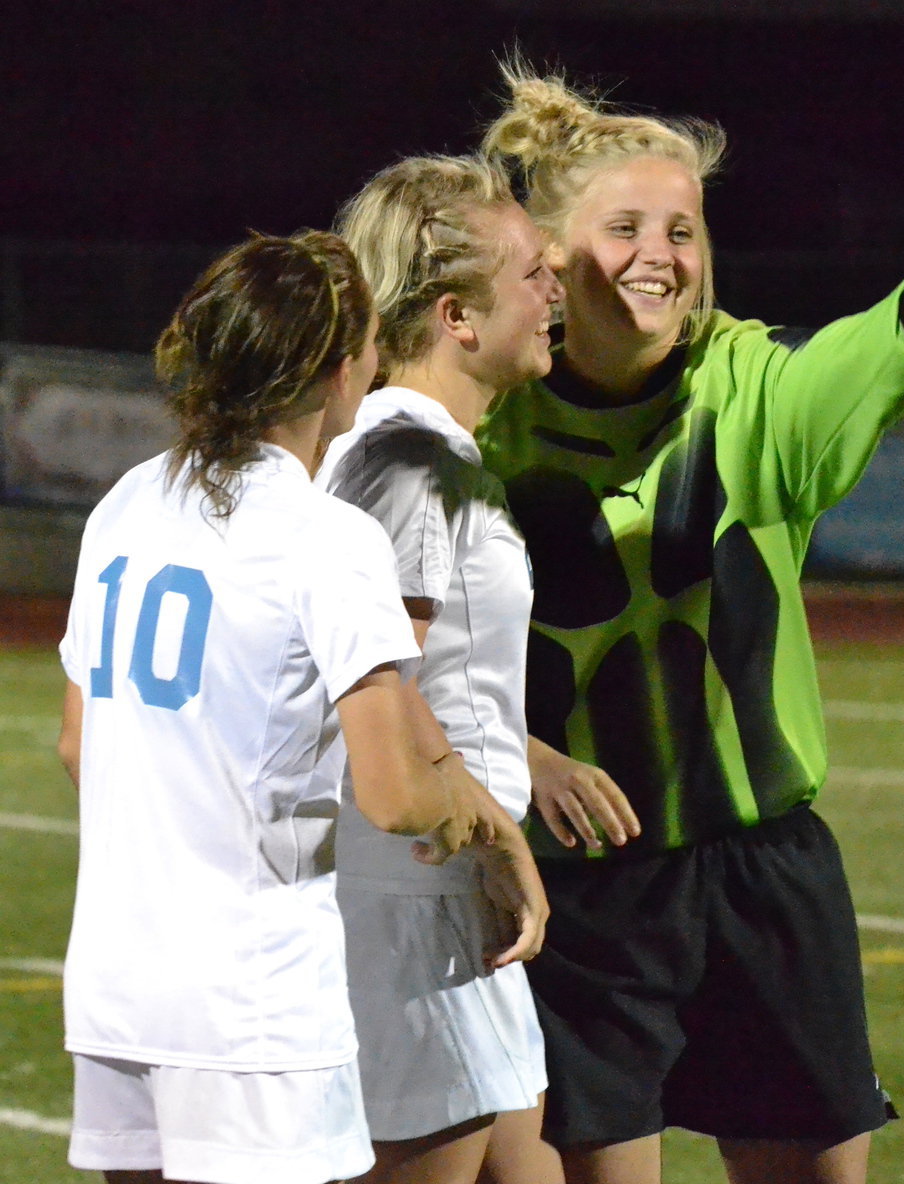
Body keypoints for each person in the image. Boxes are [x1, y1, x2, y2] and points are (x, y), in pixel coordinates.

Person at [478, 65, 904, 1184]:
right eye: (626, 227)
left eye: (681, 230)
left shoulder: (752, 386)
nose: (661, 254)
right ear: (547, 256)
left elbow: (886, 344)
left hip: (761, 878)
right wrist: (521, 754)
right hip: (578, 888)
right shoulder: (482, 424)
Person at [56, 229, 543, 1184]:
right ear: (336, 369)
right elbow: (396, 796)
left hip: (116, 984)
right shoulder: (328, 538)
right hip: (251, 999)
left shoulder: (125, 503)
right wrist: (489, 832)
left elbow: (80, 745)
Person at [315, 155, 573, 1184]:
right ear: (457, 315)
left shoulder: (427, 450)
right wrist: (494, 826)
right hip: (416, 894)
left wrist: (524, 760)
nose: (555, 287)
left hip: (449, 888)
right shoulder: (408, 459)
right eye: (528, 272)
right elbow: (379, 687)